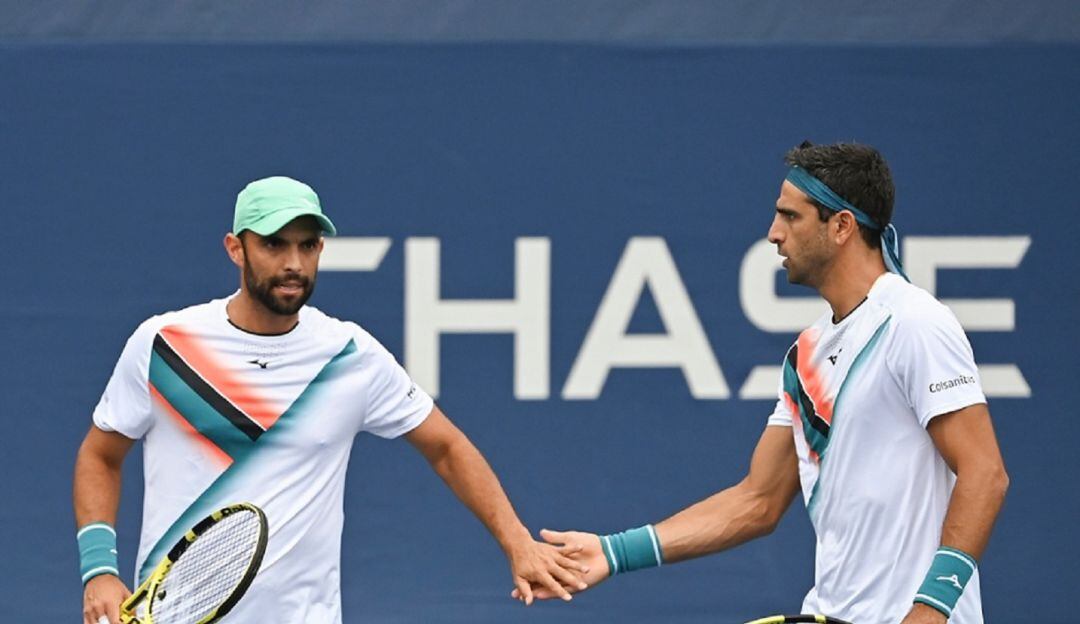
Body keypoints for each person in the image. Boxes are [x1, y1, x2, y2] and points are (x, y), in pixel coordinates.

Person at [520, 142, 1009, 624]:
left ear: (841, 226)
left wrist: (931, 609)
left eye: (790, 217)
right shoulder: (807, 354)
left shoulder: (914, 322)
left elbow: (984, 473)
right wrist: (614, 552)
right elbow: (758, 500)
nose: (774, 234)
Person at [74, 176, 587, 624]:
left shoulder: (350, 354)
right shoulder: (163, 344)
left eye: (308, 245)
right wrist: (98, 570)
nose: (294, 263)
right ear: (236, 249)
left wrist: (516, 541)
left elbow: (446, 447)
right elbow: (101, 454)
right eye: (274, 244)